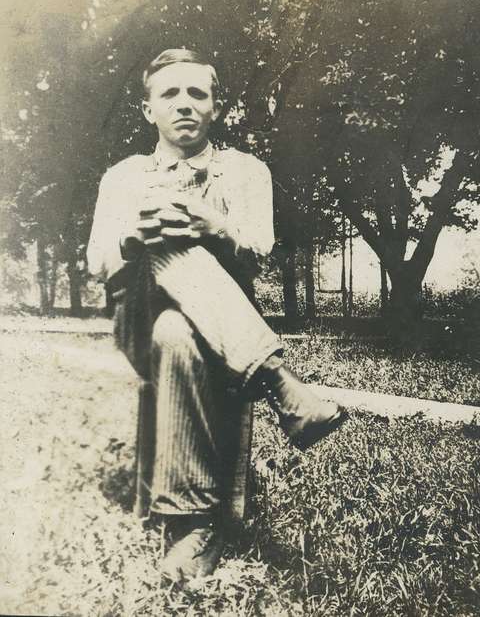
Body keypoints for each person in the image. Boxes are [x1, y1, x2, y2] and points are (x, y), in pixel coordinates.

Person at [87, 48, 348, 583]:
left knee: (176, 331)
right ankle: (282, 382)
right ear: (148, 111)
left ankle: (194, 525)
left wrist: (215, 226)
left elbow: (260, 250)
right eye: (169, 94)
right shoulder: (124, 176)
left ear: (216, 108)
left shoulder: (247, 171)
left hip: (218, 324)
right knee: (160, 239)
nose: (184, 104)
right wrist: (135, 236)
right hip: (136, 315)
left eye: (197, 94)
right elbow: (96, 264)